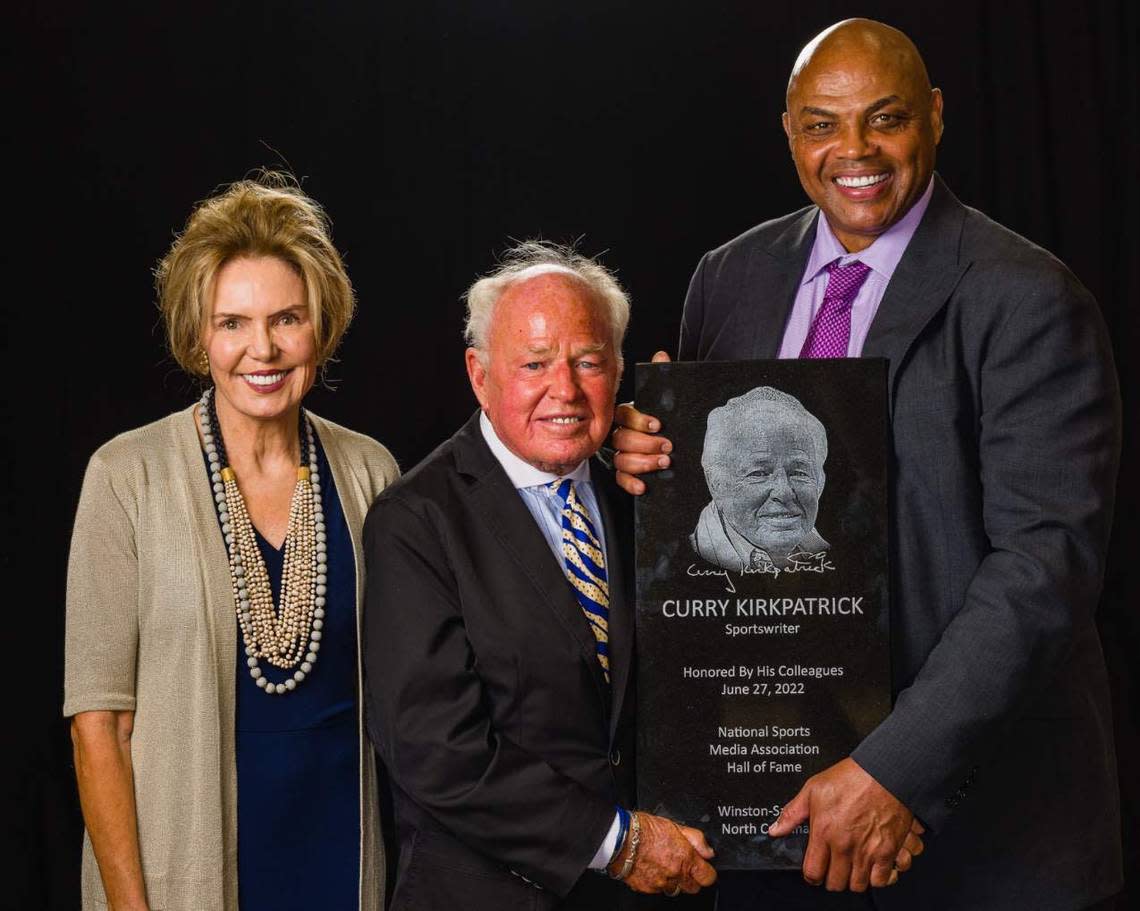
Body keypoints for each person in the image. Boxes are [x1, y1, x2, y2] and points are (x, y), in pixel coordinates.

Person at [613, 19, 1122, 911]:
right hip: (774, 828)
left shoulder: (1028, 297)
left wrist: (893, 768)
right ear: (788, 130)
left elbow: (1044, 572)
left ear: (932, 116)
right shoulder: (726, 280)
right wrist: (646, 455)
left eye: (883, 119)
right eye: (822, 124)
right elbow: (708, 524)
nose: (855, 151)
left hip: (981, 839)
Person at [64, 173, 398, 911]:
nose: (264, 349)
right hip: (183, 878)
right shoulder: (126, 478)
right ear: (198, 333)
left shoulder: (371, 472)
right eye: (233, 323)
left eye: (287, 318)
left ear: (321, 324)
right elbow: (100, 727)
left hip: (340, 860)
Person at [361, 242, 718, 909]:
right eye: (534, 363)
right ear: (479, 374)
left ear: (618, 371)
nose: (566, 389)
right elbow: (438, 751)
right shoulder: (415, 521)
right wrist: (622, 844)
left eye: (588, 361)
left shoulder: (643, 497)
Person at [692, 386, 829, 572]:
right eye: (759, 473)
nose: (784, 492)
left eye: (799, 472)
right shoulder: (685, 558)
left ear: (820, 483)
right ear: (716, 484)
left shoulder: (828, 553)